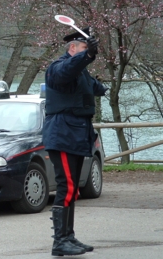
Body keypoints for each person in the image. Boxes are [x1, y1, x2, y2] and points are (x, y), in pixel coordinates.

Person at [42, 28, 108, 256]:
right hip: (62, 134)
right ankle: (59, 241)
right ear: (73, 49)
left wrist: (95, 74)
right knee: (66, 187)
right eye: (83, 48)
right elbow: (67, 71)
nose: (87, 53)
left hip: (77, 134)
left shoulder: (81, 73)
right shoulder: (57, 68)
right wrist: (87, 56)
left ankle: (68, 237)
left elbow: (97, 89)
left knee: (73, 189)